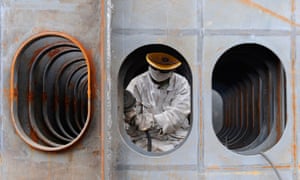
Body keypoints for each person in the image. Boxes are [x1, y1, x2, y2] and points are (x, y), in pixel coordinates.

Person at [124, 52, 191, 153]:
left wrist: (152, 121)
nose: (159, 73)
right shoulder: (136, 84)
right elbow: (128, 114)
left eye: (164, 71)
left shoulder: (182, 84)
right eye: (156, 69)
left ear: (173, 70)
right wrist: (133, 119)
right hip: (144, 140)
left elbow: (177, 115)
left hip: (177, 139)